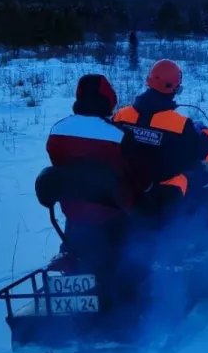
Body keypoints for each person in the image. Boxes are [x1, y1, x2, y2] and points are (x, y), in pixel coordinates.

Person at [43, 74, 150, 267]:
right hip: (115, 214)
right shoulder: (119, 135)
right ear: (109, 99)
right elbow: (138, 177)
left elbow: (61, 165)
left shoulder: (57, 130)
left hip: (74, 213)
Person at [112, 59, 208, 217]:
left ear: (149, 81)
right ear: (175, 88)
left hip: (128, 188)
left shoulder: (121, 115)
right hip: (165, 195)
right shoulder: (180, 125)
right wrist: (205, 130)